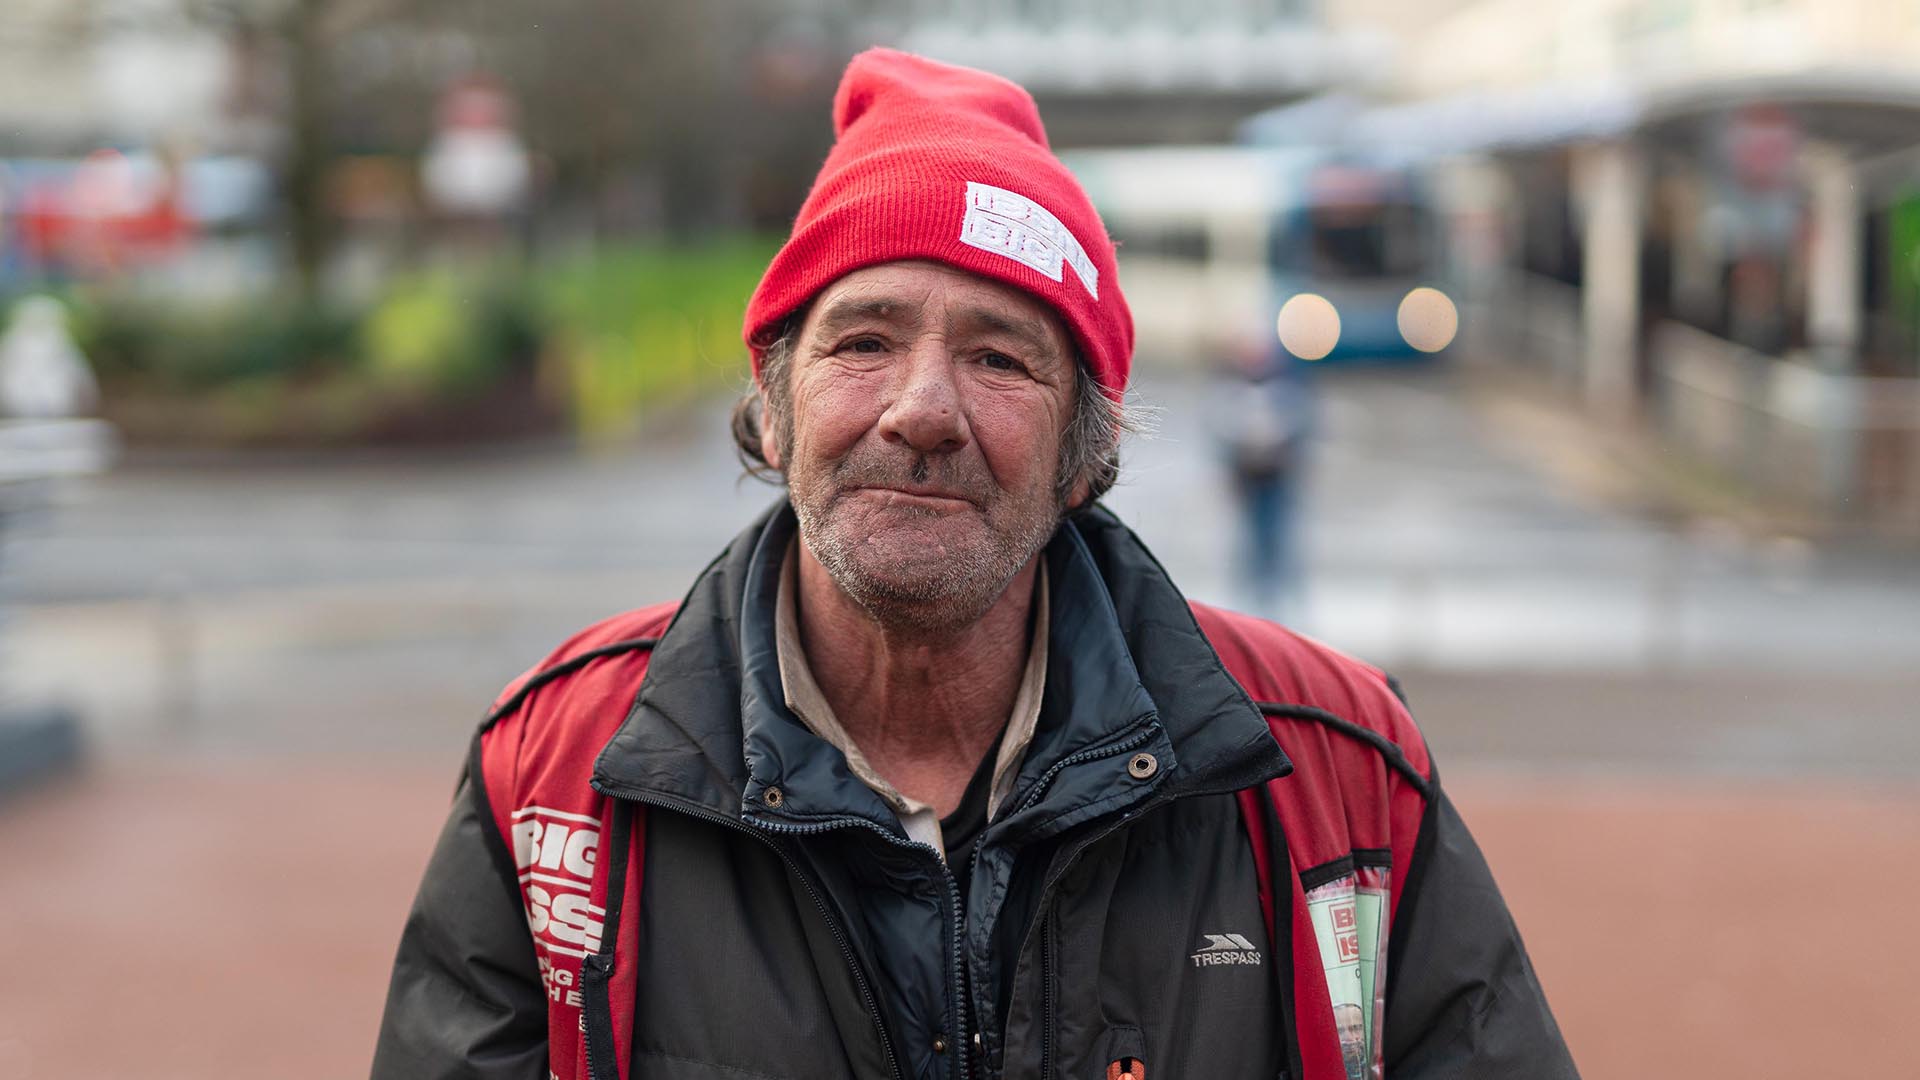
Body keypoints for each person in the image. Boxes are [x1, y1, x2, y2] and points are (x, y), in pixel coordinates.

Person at [372, 48, 1577, 1080]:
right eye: (862, 340)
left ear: (1082, 456)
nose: (922, 410)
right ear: (773, 408)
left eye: (1001, 358)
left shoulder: (1340, 777)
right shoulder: (556, 778)